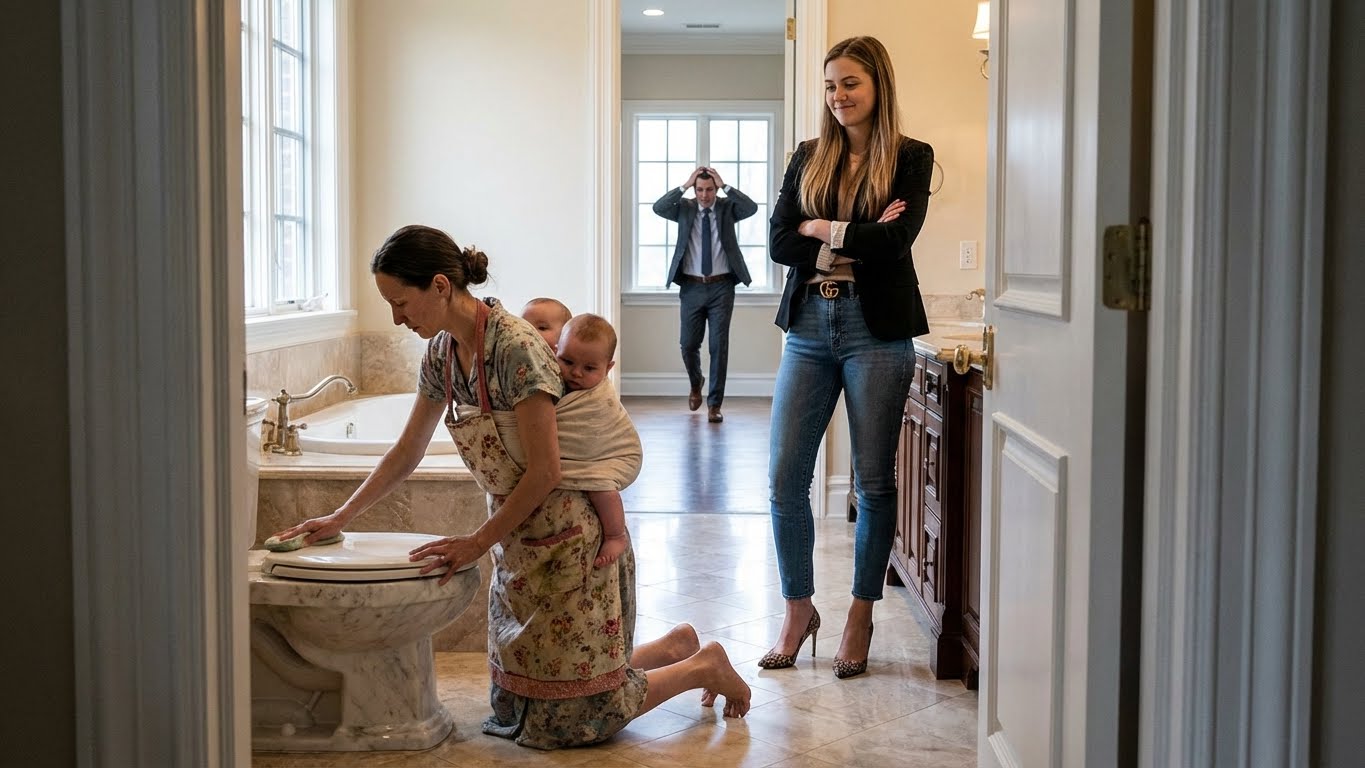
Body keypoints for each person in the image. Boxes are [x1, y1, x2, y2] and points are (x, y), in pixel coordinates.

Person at [272, 224, 751, 749]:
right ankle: (673, 647)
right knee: (526, 699)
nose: (397, 318)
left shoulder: (516, 348)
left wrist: (476, 543)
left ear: (439, 286)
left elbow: (546, 471)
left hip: (569, 536)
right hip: (517, 533)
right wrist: (338, 518)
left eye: (400, 302)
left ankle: (703, 665)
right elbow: (407, 451)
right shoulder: (441, 354)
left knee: (574, 716)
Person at [763, 36, 934, 680]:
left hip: (876, 330)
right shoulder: (808, 156)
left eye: (851, 83)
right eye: (831, 85)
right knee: (785, 477)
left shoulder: (911, 157)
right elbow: (778, 241)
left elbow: (896, 241)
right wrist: (850, 235)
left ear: (878, 85)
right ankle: (798, 609)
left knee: (873, 481)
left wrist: (821, 228)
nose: (838, 96)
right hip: (809, 323)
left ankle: (860, 614)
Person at [652, 166, 759, 424]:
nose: (704, 195)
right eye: (699, 190)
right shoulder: (685, 208)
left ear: (715, 189)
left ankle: (714, 405)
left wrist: (725, 186)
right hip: (691, 287)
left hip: (722, 287)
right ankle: (695, 381)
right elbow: (659, 207)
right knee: (688, 344)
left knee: (718, 346)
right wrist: (684, 185)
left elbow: (751, 208)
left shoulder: (726, 207)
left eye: (709, 189)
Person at [545, 311, 632, 568]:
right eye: (567, 361)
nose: (576, 373)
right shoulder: (548, 381)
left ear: (608, 368)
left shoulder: (598, 398)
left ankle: (616, 535)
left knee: (601, 487)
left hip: (599, 458)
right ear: (555, 351)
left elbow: (597, 430)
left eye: (590, 368)